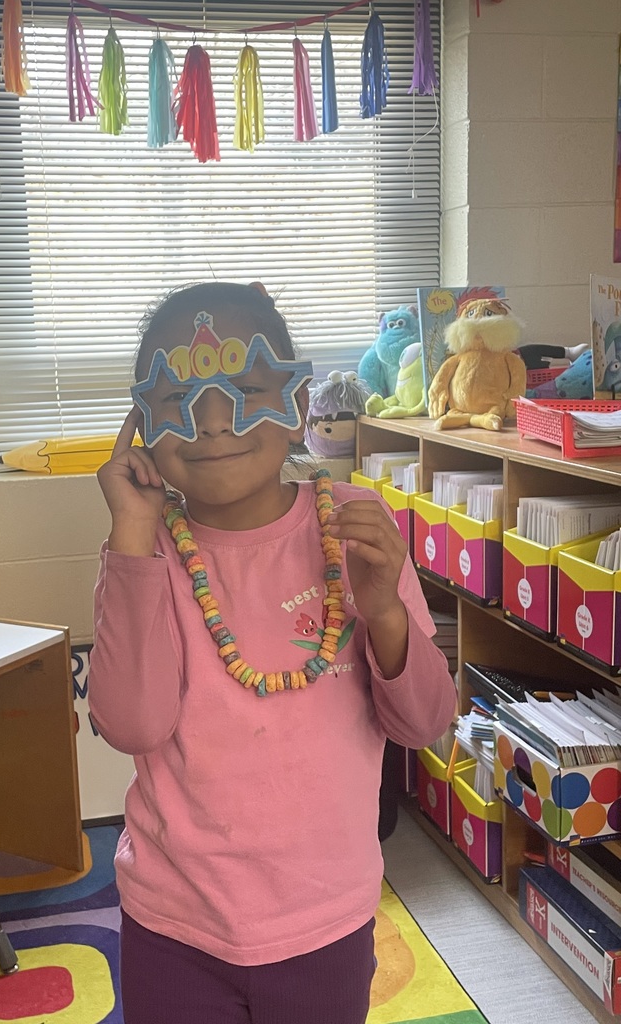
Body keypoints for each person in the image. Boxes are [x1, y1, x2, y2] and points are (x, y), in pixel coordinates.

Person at [90, 281, 457, 1024]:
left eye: (246, 388)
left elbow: (424, 724)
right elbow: (131, 725)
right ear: (143, 425)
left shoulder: (358, 527)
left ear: (294, 407)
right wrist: (133, 535)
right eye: (180, 400)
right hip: (175, 923)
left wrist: (381, 607)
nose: (214, 421)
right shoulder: (144, 552)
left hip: (324, 920)